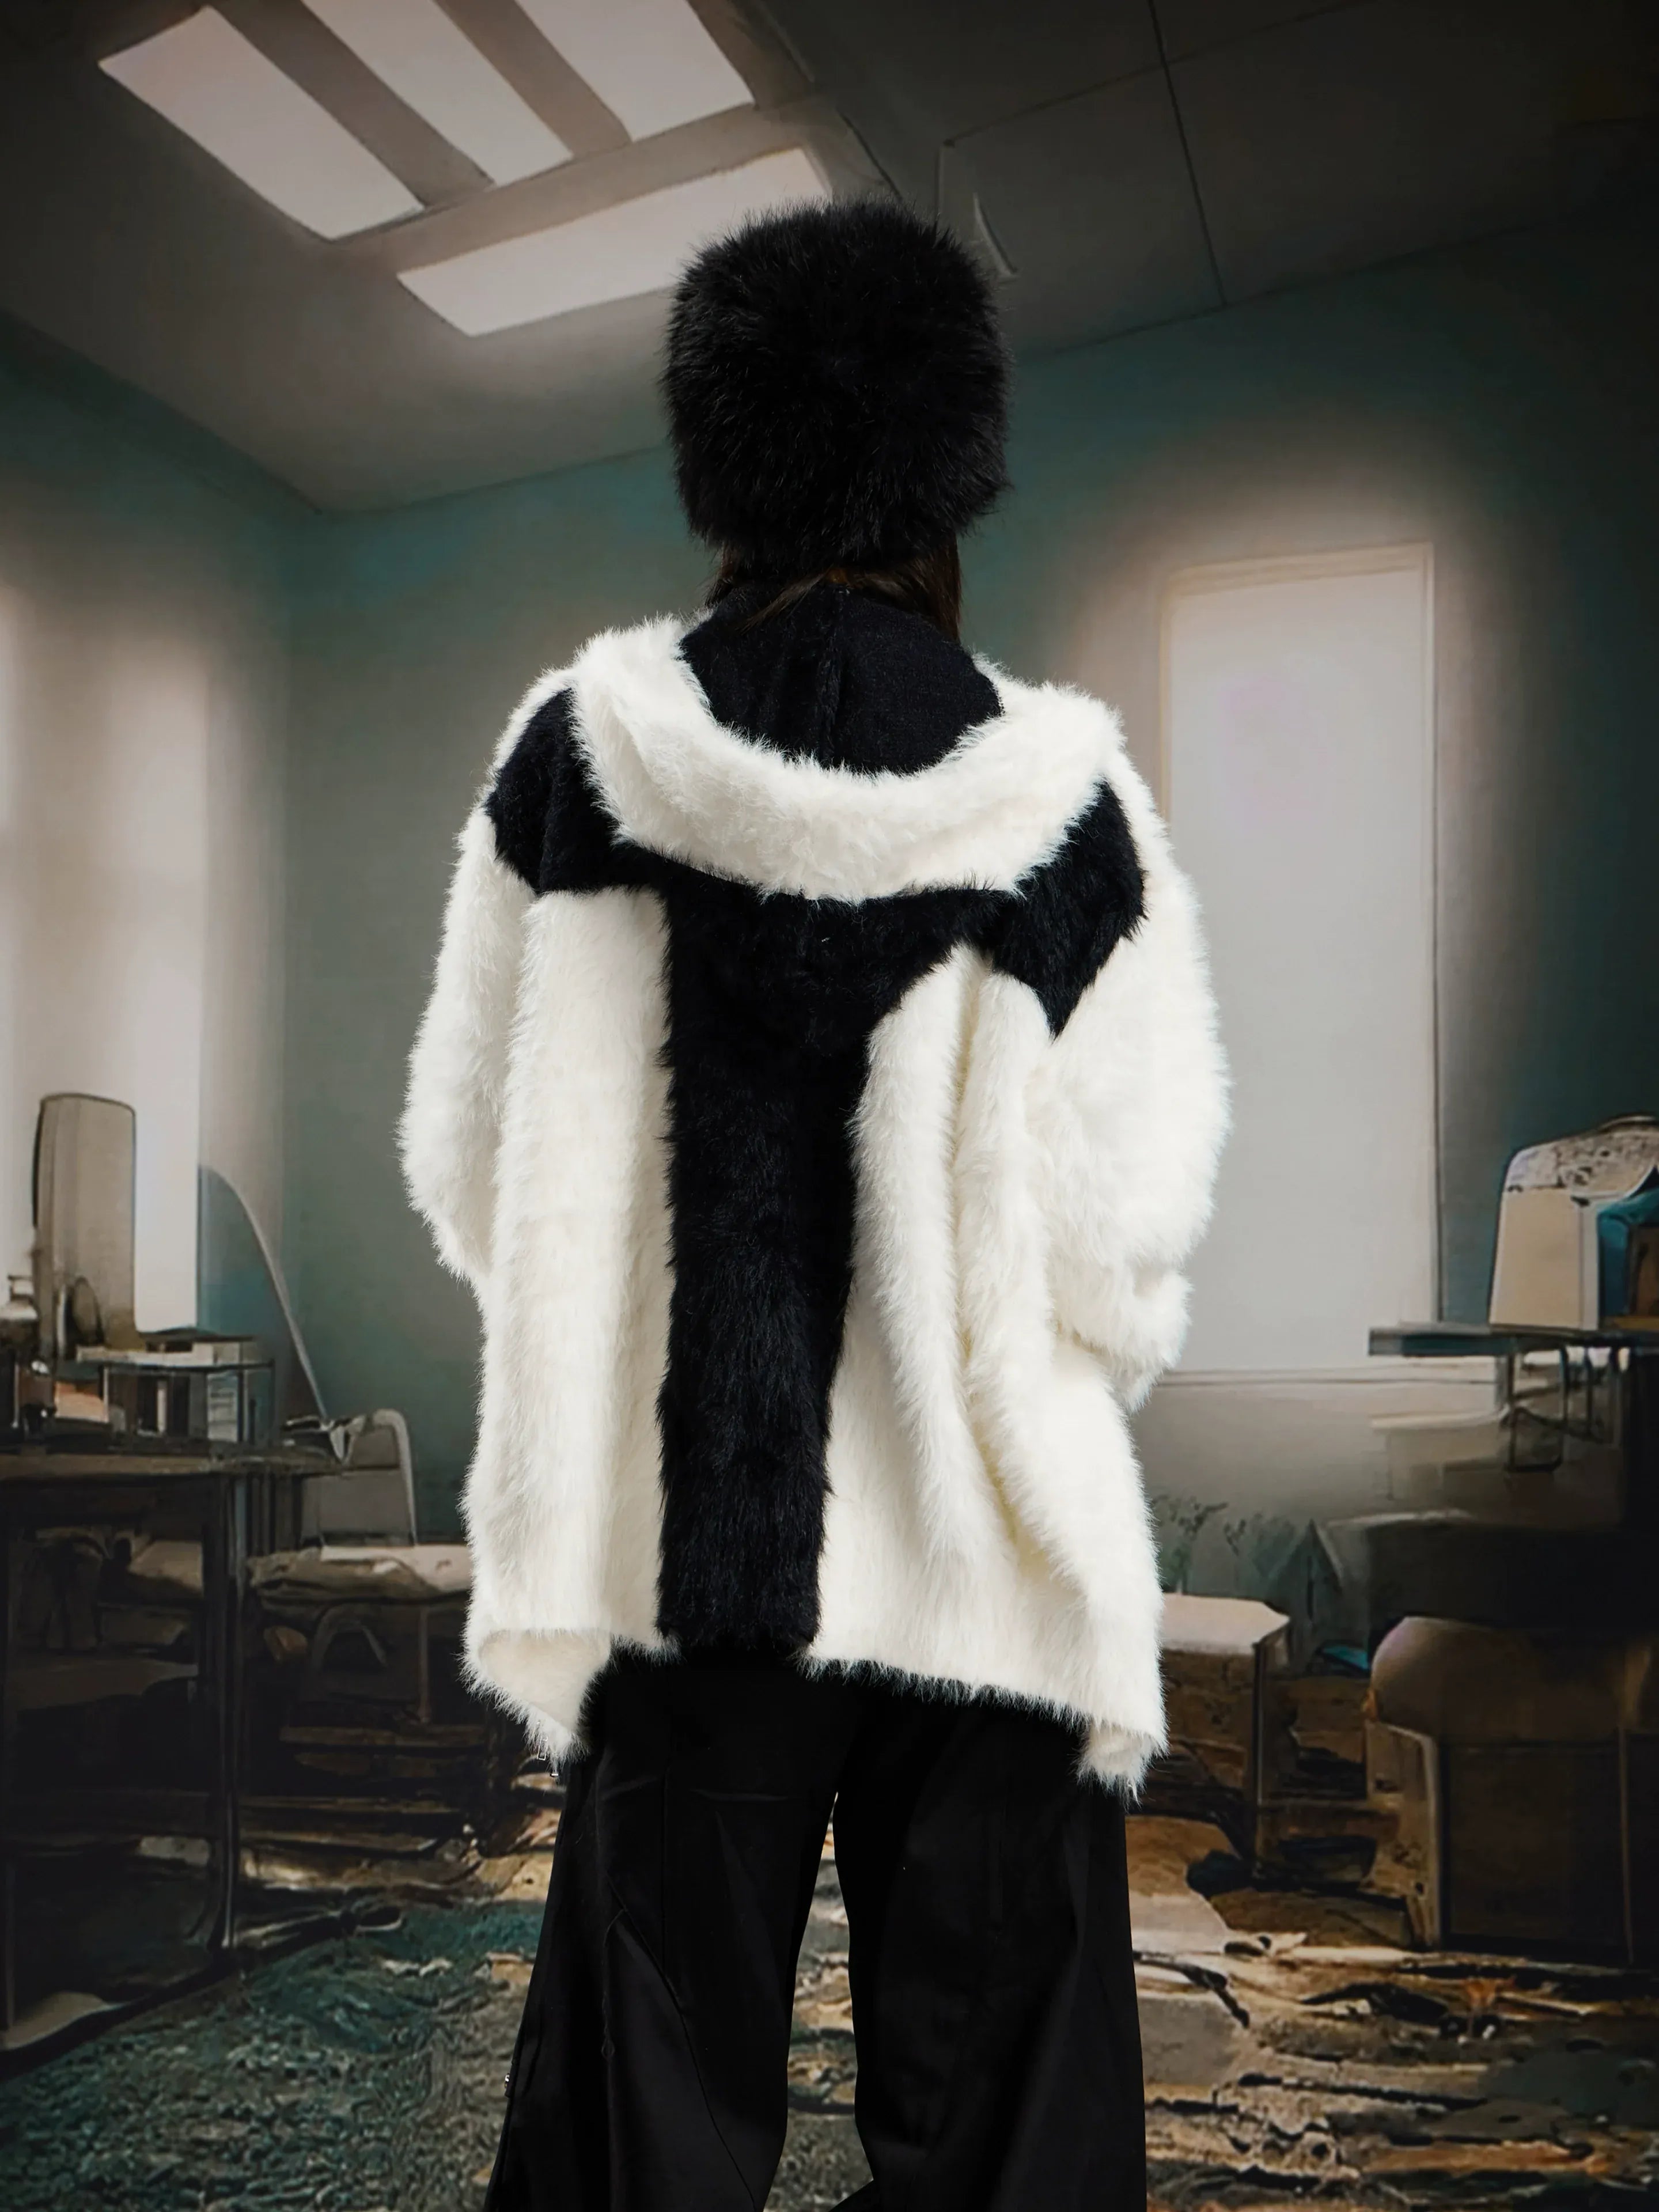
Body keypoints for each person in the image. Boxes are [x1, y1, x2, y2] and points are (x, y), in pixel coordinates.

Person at [402, 196, 1227, 2212]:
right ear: (948, 481)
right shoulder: (1067, 798)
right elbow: (1129, 1230)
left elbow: (468, 1163)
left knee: (646, 2110)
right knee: (1011, 2125)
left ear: (729, 471)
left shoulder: (576, 761)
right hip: (987, 1555)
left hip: (695, 1557)